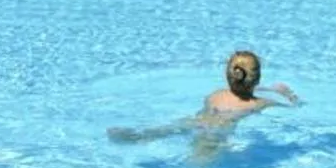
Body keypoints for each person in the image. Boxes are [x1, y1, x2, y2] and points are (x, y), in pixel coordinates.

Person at [108, 49, 300, 146]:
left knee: (169, 129)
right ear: (257, 78)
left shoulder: (215, 95)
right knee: (201, 160)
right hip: (219, 129)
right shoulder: (259, 103)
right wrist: (286, 93)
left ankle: (138, 135)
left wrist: (267, 88)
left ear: (229, 75)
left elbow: (243, 89)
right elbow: (295, 107)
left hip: (197, 119)